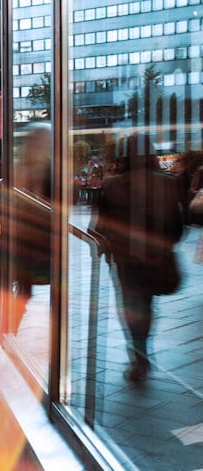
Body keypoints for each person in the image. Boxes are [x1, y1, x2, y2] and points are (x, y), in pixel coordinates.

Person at [95, 133, 185, 385]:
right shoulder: (167, 183)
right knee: (146, 306)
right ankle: (142, 352)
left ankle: (138, 356)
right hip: (155, 258)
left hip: (126, 260)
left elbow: (100, 225)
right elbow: (178, 226)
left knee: (131, 307)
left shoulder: (112, 184)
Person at [9, 123, 53, 333]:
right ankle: (10, 330)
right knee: (24, 288)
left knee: (30, 287)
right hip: (26, 237)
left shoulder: (50, 169)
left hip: (41, 237)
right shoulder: (22, 167)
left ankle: (11, 330)